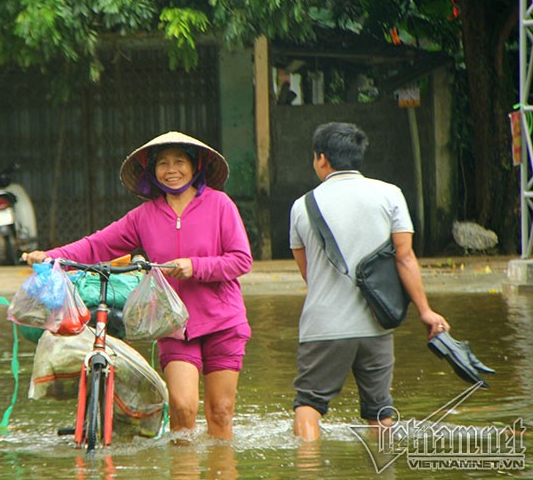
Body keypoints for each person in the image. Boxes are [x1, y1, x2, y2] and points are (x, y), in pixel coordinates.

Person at [22, 130, 253, 440]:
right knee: (183, 409)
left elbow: (241, 260)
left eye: (179, 162)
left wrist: (195, 267)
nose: (172, 170)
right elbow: (96, 245)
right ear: (152, 171)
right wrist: (51, 257)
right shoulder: (143, 216)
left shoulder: (220, 205)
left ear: (196, 166)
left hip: (223, 322)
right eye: (163, 164)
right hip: (173, 324)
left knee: (221, 412)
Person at [288, 122, 450, 442]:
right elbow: (404, 258)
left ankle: (307, 468)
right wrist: (425, 311)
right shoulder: (390, 195)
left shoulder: (302, 206)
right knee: (380, 412)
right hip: (377, 324)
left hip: (324, 326)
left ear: (322, 158)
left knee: (308, 405)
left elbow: (308, 273)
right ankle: (381, 467)